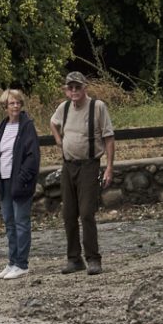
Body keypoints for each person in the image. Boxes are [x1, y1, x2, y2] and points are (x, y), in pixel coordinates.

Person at [49, 70, 114, 275]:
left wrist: (110, 167)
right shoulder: (64, 107)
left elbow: (109, 138)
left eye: (78, 87)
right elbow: (52, 122)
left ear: (85, 87)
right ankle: (74, 259)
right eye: (71, 88)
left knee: (86, 213)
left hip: (89, 165)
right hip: (68, 166)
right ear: (67, 91)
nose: (74, 91)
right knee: (68, 214)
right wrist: (59, 140)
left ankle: (94, 259)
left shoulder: (97, 107)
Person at [0, 88, 41, 279]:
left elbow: (32, 157)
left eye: (18, 102)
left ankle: (22, 264)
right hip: (3, 181)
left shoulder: (27, 127)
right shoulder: (1, 127)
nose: (15, 106)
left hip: (20, 183)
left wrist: (22, 178)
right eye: (11, 103)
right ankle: (12, 262)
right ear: (5, 106)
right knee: (9, 223)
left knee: (21, 222)